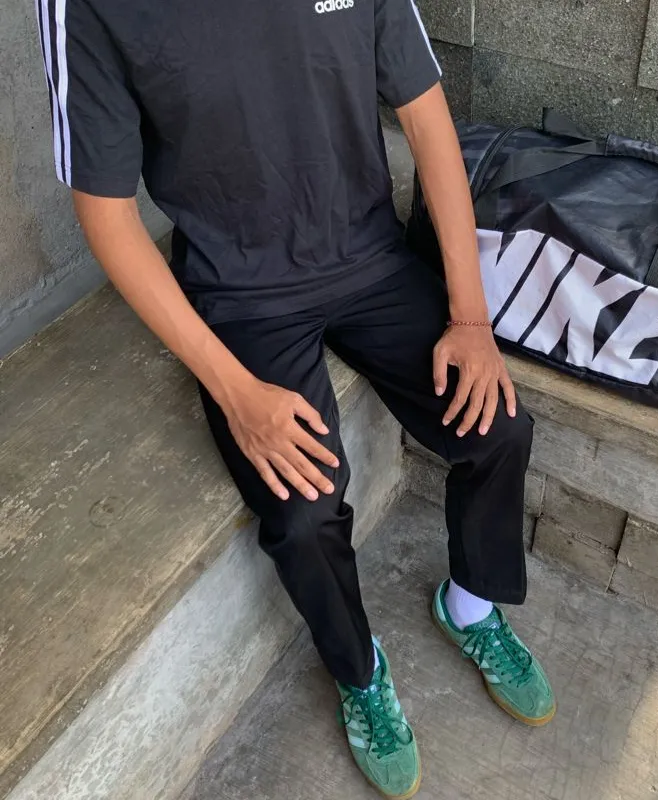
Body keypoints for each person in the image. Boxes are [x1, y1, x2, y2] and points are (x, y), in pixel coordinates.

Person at [35, 0, 555, 796]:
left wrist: (470, 317)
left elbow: (424, 116)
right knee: (304, 510)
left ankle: (471, 606)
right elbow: (105, 213)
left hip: (368, 256)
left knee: (501, 427)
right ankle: (359, 670)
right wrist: (234, 391)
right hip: (239, 294)